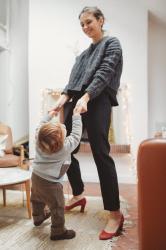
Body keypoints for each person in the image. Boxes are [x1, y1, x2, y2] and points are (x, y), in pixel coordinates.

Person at [53, 6, 124, 240]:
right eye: (82, 24)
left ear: (101, 20)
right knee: (66, 150)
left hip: (98, 100)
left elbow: (104, 74)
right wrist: (60, 101)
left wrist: (86, 96)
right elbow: (72, 82)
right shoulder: (82, 55)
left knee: (100, 153)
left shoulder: (112, 44)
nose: (85, 28)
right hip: (77, 102)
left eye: (89, 22)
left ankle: (115, 213)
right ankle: (78, 194)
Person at [31, 108, 82, 241]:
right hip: (52, 184)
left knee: (36, 198)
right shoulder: (64, 148)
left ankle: (38, 217)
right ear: (60, 141)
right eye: (62, 131)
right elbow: (76, 136)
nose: (63, 127)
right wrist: (76, 116)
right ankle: (58, 231)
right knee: (57, 206)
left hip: (36, 177)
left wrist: (49, 115)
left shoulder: (38, 139)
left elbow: (39, 126)